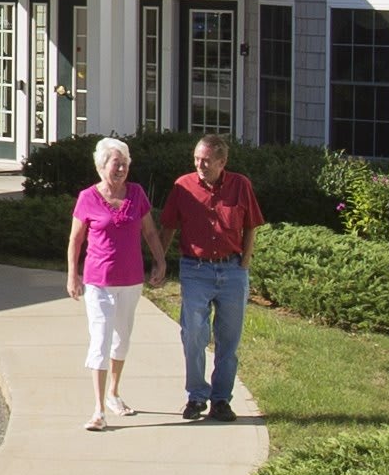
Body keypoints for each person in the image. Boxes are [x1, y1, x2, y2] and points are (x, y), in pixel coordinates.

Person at [161, 130, 262, 423]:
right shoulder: (183, 186)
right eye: (196, 159)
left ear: (222, 161)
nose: (199, 165)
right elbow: (168, 225)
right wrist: (158, 261)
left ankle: (221, 400)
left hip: (232, 271)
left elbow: (251, 225)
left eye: (205, 160)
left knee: (228, 341)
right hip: (196, 270)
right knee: (193, 333)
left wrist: (244, 261)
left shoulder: (240, 185)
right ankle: (196, 396)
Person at [66, 135, 162, 432]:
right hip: (98, 282)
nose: (121, 170)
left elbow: (149, 233)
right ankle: (97, 411)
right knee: (101, 338)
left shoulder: (136, 194)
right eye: (115, 164)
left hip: (131, 280)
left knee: (122, 339)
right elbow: (76, 239)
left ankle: (114, 394)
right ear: (101, 166)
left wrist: (161, 261)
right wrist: (72, 274)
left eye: (124, 164)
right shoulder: (87, 198)